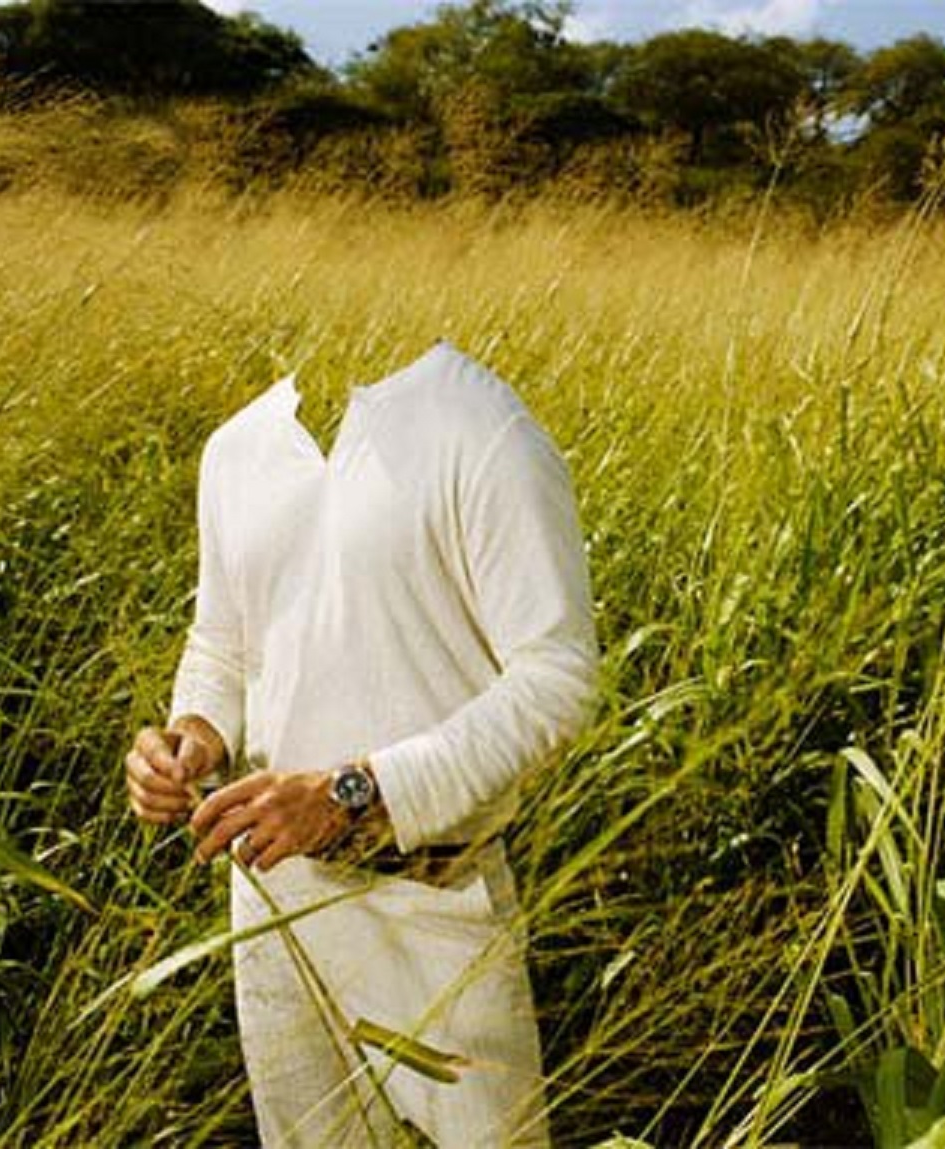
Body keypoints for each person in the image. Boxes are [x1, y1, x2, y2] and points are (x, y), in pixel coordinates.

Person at [123, 336, 599, 1147]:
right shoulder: (240, 447)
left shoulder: (480, 425)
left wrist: (355, 792)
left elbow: (558, 677)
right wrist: (193, 733)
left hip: (433, 899)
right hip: (274, 902)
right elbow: (223, 644)